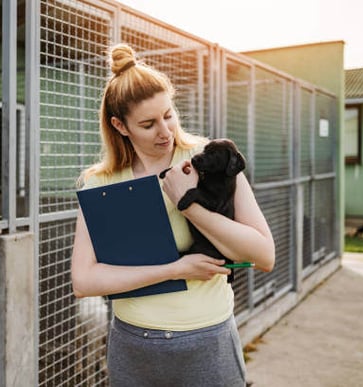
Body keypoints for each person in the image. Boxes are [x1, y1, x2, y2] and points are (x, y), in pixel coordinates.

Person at [71, 43, 275, 387]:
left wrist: (189, 203)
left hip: (207, 342)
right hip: (134, 347)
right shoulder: (100, 182)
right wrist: (176, 270)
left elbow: (264, 255)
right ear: (121, 126)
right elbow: (84, 280)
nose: (165, 132)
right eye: (148, 124)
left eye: (168, 115)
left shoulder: (209, 158)